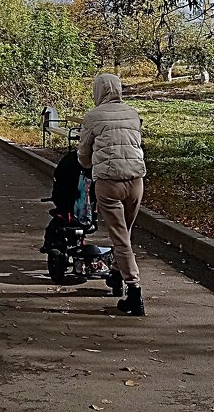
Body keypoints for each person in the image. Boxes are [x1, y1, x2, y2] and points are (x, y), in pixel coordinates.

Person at [78, 73, 147, 316]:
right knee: (125, 233)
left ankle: (134, 290)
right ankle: (116, 275)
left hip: (109, 183)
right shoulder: (133, 113)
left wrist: (87, 166)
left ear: (98, 91)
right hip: (136, 181)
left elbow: (84, 154)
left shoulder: (93, 116)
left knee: (120, 237)